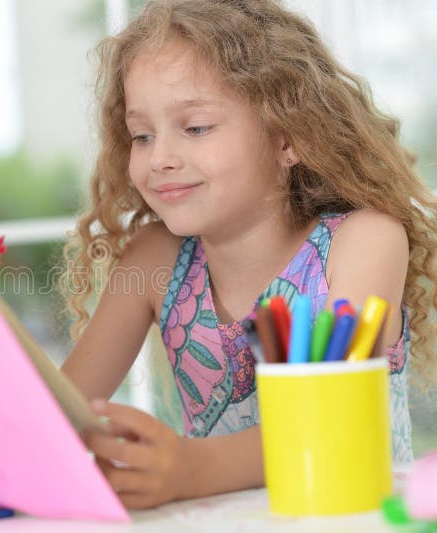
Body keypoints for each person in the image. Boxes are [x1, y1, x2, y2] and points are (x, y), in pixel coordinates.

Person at [60, 0, 437, 510]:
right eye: (142, 136)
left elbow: (328, 419)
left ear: (287, 136)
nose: (161, 159)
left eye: (195, 128)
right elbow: (58, 415)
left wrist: (189, 468)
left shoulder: (364, 242)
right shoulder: (154, 260)